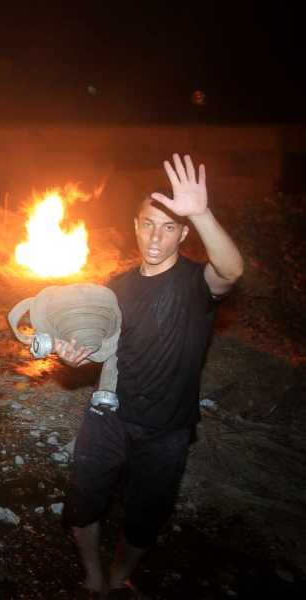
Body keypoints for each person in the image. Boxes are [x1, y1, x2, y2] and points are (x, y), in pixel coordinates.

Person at [54, 154, 244, 598]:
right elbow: (102, 349)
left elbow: (232, 271)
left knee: (144, 519)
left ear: (183, 233)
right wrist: (72, 354)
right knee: (82, 507)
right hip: (109, 417)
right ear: (135, 225)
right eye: (147, 224)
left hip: (167, 428)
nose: (155, 236)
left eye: (168, 226)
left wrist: (201, 211)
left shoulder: (197, 282)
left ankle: (120, 577)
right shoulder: (117, 286)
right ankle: (94, 576)